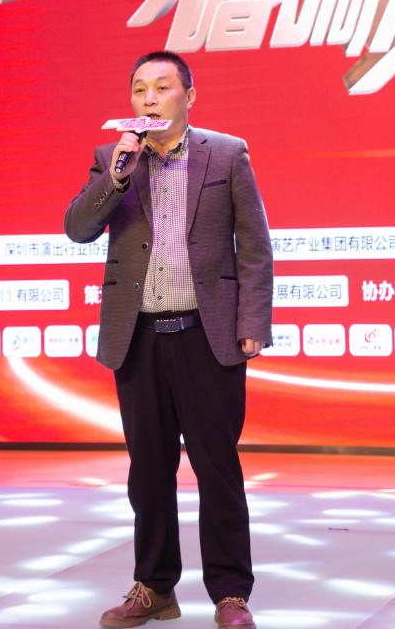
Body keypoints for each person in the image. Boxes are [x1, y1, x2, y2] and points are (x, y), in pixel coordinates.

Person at [64, 50, 273, 629]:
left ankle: (230, 594)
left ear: (189, 96)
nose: (149, 98)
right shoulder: (114, 158)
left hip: (207, 335)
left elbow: (255, 246)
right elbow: (78, 228)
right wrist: (117, 176)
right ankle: (154, 588)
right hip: (138, 337)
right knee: (148, 471)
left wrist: (253, 323)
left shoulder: (226, 153)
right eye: (139, 89)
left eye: (162, 87)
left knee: (217, 468)